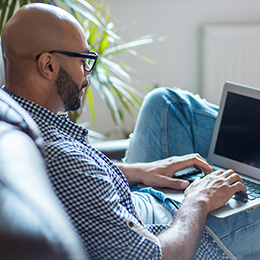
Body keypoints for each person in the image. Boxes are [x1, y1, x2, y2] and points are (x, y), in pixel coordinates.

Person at [1, 3, 260, 260]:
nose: (87, 74)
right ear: (48, 66)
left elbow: (77, 180)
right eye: (83, 61)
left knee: (167, 103)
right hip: (173, 231)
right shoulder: (65, 159)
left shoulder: (13, 112)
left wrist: (140, 171)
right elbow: (156, 257)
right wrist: (198, 201)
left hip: (136, 203)